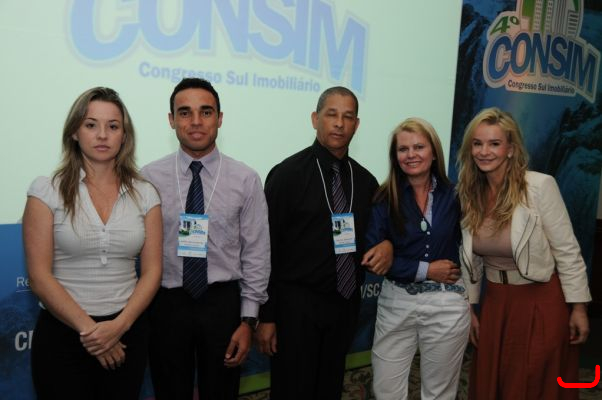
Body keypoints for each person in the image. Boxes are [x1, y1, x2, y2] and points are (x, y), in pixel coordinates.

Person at [23, 87, 163, 400]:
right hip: (63, 335)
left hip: (126, 334)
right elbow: (39, 277)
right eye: (91, 125)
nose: (102, 135)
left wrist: (118, 327)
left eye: (113, 126)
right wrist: (92, 332)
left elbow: (153, 271)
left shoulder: (146, 193)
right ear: (74, 132)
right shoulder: (46, 191)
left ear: (124, 136)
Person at [255, 86, 388, 399]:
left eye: (348, 117)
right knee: (293, 390)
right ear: (315, 119)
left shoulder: (366, 181)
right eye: (331, 114)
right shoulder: (287, 175)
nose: (339, 123)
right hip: (296, 308)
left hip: (344, 306)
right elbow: (266, 250)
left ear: (356, 125)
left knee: (329, 388)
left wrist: (386, 245)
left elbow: (377, 236)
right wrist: (267, 316)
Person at [142, 77, 270, 400]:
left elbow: (256, 253)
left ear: (220, 118)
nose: (196, 121)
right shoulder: (147, 178)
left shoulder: (245, 179)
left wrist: (248, 321)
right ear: (171, 120)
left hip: (222, 305)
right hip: (166, 304)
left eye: (206, 112)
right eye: (185, 113)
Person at [456, 107, 591, 399]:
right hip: (495, 304)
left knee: (532, 383)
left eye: (494, 143)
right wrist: (470, 308)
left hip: (540, 301)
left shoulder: (539, 186)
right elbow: (471, 261)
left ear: (511, 149)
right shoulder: (469, 192)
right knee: (495, 383)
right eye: (477, 144)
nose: (484, 151)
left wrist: (579, 308)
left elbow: (567, 251)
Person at [365, 118, 470, 399]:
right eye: (403, 149)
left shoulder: (457, 195)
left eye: (419, 147)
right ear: (395, 156)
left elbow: (472, 248)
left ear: (434, 152)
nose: (411, 155)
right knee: (386, 390)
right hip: (396, 301)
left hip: (446, 303)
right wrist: (426, 269)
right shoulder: (384, 198)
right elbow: (374, 259)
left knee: (439, 393)